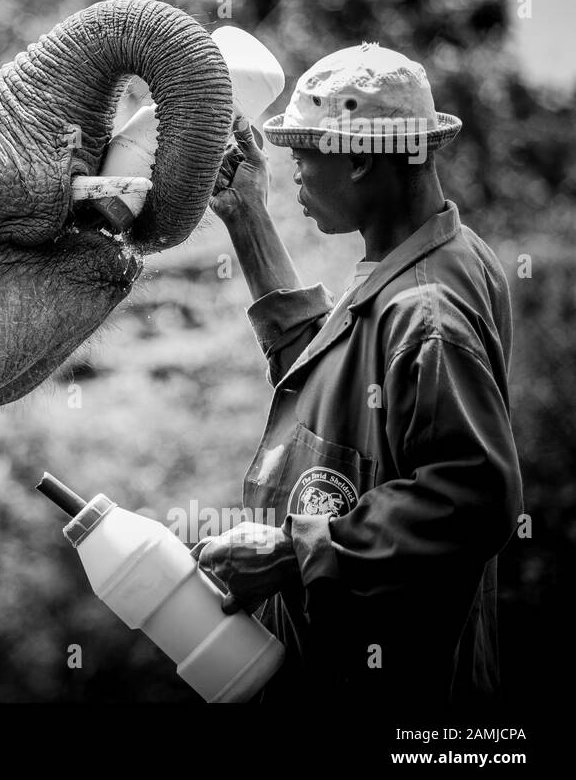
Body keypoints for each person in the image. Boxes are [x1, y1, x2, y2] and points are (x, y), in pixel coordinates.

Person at [194, 43, 524, 701]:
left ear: (362, 158)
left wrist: (298, 550)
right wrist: (248, 217)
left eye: (303, 157)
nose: (294, 176)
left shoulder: (427, 311)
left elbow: (475, 496)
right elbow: (340, 385)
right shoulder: (416, 259)